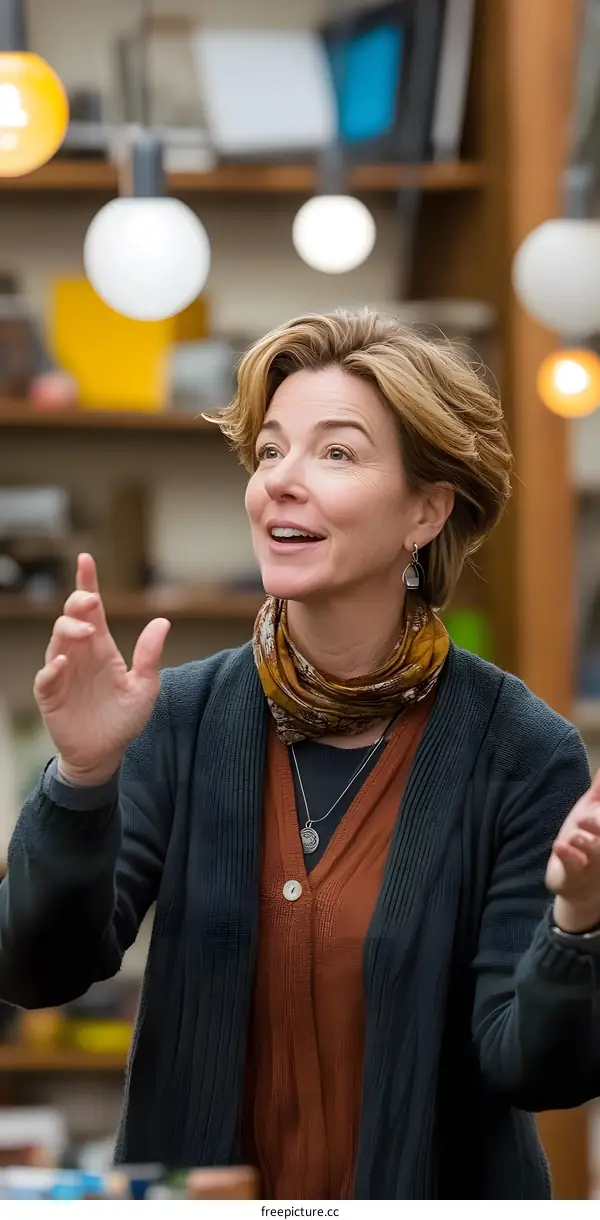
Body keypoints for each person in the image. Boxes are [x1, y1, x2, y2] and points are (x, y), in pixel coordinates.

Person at [1, 308, 600, 1201]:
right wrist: (82, 777)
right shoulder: (179, 718)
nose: (281, 481)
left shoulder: (522, 750)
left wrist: (579, 923)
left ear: (426, 510)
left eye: (336, 453)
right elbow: (36, 972)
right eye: (271, 450)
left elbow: (537, 1070)